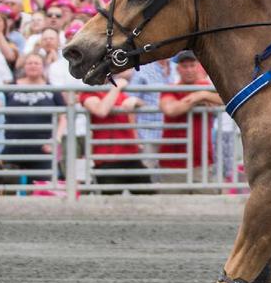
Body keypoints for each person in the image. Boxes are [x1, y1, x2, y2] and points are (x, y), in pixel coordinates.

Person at [78, 73, 152, 192]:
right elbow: (101, 111)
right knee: (110, 201)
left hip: (131, 156)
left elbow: (143, 107)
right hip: (107, 159)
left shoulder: (119, 93)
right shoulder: (89, 93)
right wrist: (116, 88)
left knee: (148, 194)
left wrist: (136, 101)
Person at [1, 52, 65, 189]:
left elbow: (63, 118)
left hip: (43, 149)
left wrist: (56, 140)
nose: (33, 66)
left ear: (43, 67)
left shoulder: (52, 89)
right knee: (9, 191)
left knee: (42, 192)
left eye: (37, 63)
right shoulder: (10, 87)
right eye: (29, 63)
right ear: (24, 67)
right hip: (13, 147)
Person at [158, 52, 221, 181]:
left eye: (192, 65)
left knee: (206, 199)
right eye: (185, 66)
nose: (189, 70)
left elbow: (227, 99)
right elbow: (170, 109)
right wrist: (197, 99)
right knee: (171, 200)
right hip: (173, 162)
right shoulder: (171, 88)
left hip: (202, 160)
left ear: (198, 67)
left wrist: (203, 95)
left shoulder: (206, 88)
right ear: (178, 69)